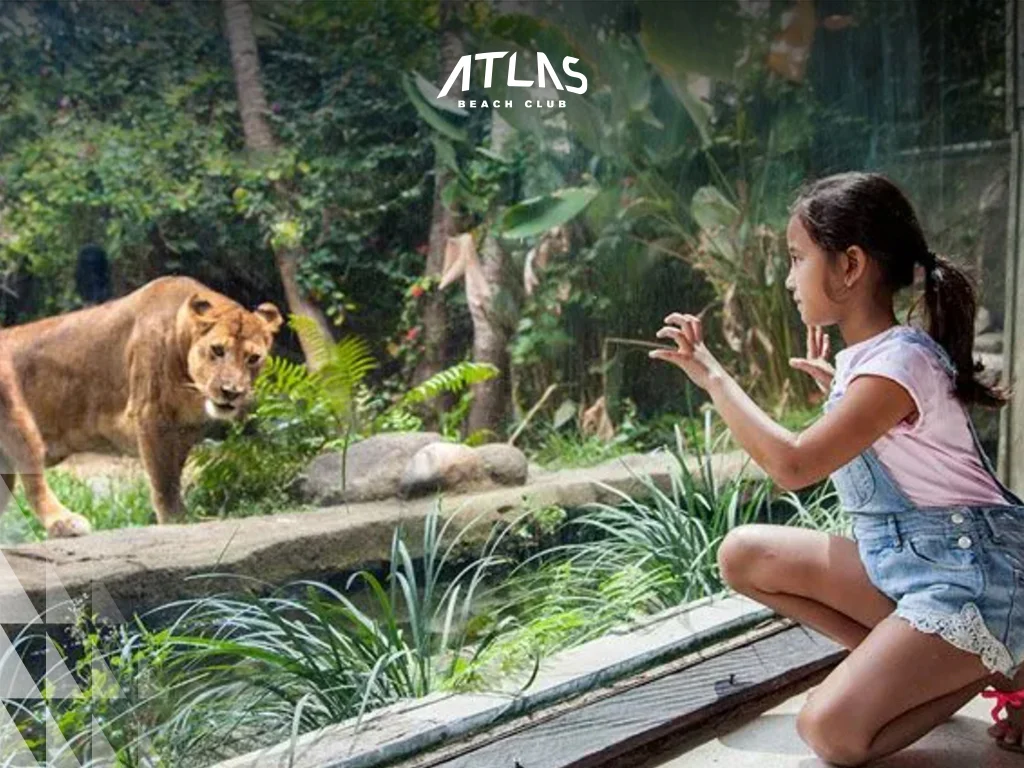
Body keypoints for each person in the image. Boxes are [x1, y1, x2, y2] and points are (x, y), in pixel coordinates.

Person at [650, 171, 1024, 765]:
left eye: (798, 259)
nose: (789, 278)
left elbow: (794, 466)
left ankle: (992, 667)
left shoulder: (895, 363)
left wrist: (713, 377)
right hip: (908, 569)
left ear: (850, 266)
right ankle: (929, 666)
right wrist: (839, 398)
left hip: (974, 579)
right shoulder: (874, 362)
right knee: (743, 554)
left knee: (830, 731)